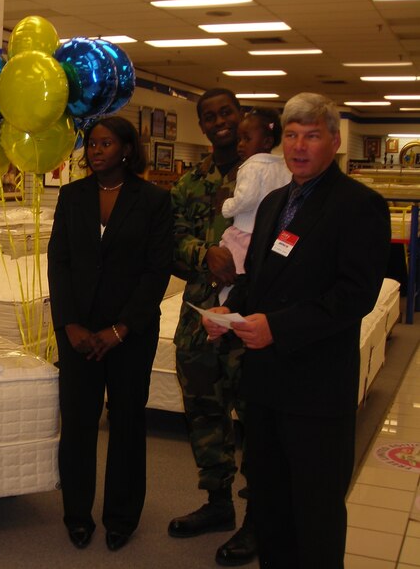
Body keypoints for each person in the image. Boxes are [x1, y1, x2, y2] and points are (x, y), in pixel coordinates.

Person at [202, 92, 391, 568]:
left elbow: (354, 296)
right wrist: (228, 314)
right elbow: (260, 280)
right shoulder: (272, 204)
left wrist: (278, 329)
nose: (299, 146)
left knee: (316, 512)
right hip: (264, 387)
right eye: (291, 135)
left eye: (311, 135)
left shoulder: (359, 205)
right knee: (269, 504)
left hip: (317, 389)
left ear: (335, 139)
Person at [47, 116, 173, 552]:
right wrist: (69, 323)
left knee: (127, 424)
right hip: (78, 332)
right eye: (92, 143)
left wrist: (121, 328)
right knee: (78, 423)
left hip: (130, 333)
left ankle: (121, 516)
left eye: (106, 143)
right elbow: (58, 262)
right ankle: (77, 513)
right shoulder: (72, 196)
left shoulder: (154, 200)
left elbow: (156, 270)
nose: (96, 150)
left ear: (126, 149)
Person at [168, 88, 257, 566]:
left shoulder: (268, 176)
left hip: (253, 321)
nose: (219, 122)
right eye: (209, 116)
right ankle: (218, 504)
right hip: (201, 321)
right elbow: (170, 242)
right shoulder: (190, 183)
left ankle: (258, 517)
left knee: (259, 419)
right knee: (204, 413)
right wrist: (206, 256)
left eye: (226, 112)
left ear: (240, 116)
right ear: (201, 125)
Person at [218, 107, 291, 300]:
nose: (240, 145)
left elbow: (245, 199)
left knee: (232, 283)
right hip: (274, 235)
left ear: (267, 142)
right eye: (239, 139)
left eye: (247, 139)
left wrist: (226, 206)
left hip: (246, 233)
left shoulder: (251, 166)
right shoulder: (284, 166)